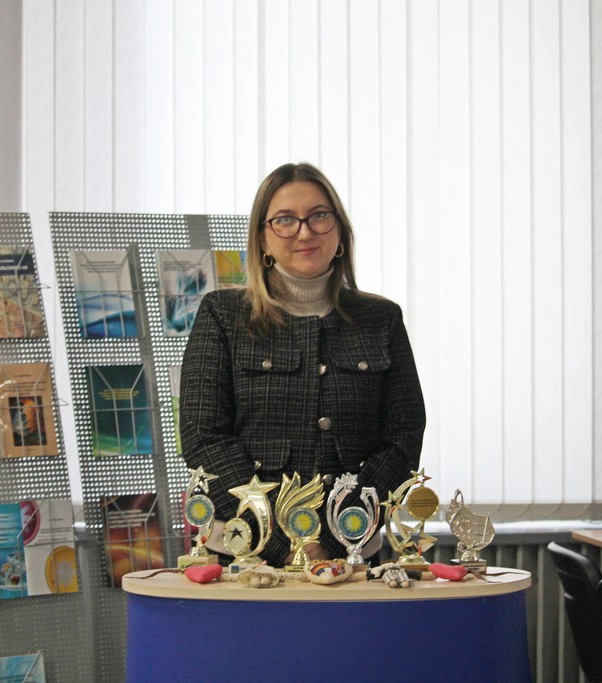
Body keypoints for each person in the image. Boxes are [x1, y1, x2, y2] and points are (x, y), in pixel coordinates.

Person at [179, 162, 426, 567]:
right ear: (262, 238)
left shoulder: (382, 319)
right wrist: (286, 544)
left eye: (319, 216)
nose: (305, 232)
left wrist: (335, 536)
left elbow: (403, 437)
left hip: (351, 554)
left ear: (340, 230)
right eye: (284, 220)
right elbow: (202, 437)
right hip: (246, 555)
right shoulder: (222, 314)